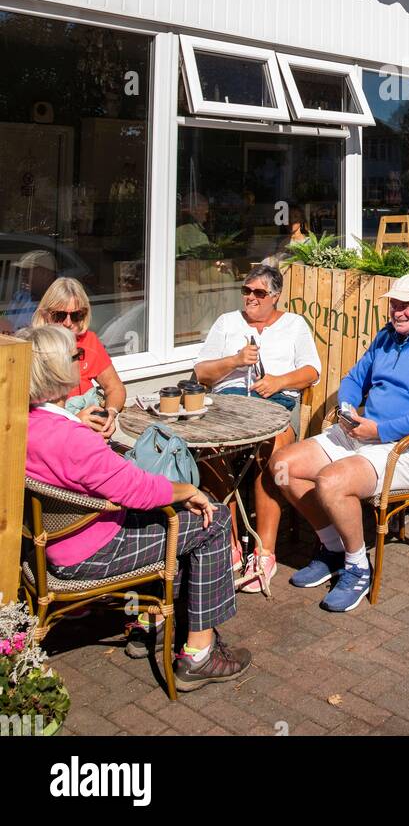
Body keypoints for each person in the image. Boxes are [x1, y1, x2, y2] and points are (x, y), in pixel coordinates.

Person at [21, 324, 250, 690]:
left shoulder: (22, 425)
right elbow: (136, 491)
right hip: (90, 552)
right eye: (75, 356)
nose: (80, 361)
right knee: (215, 520)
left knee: (172, 518)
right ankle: (199, 654)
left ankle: (154, 623)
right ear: (57, 371)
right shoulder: (72, 438)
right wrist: (187, 488)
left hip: (48, 544)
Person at [270, 274, 409, 613]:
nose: (397, 311)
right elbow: (354, 379)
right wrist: (347, 410)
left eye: (405, 305)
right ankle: (332, 547)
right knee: (283, 467)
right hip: (364, 432)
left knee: (331, 482)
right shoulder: (386, 336)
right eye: (393, 304)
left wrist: (378, 430)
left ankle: (358, 566)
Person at [194, 264, 320, 592]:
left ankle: (264, 552)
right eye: (247, 291)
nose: (251, 298)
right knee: (209, 451)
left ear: (275, 297)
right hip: (228, 404)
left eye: (259, 293)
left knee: (273, 451)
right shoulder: (227, 323)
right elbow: (202, 374)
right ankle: (231, 544)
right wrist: (234, 361)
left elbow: (312, 372)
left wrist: (279, 381)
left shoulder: (294, 325)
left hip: (276, 404)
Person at [33, 277, 126, 439]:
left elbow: (115, 387)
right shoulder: (34, 347)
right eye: (59, 316)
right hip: (55, 436)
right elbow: (31, 415)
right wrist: (75, 421)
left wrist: (110, 413)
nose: (68, 323)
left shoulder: (89, 341)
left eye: (76, 315)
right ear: (45, 314)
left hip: (89, 435)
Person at [6, 250, 58, 329]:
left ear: (46, 274)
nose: (23, 275)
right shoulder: (20, 296)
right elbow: (6, 320)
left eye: (28, 271)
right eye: (22, 271)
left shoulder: (60, 303)